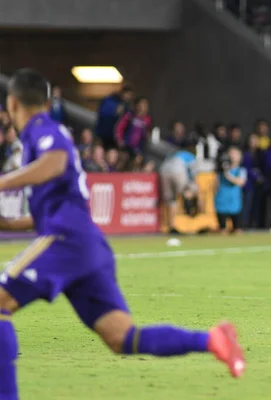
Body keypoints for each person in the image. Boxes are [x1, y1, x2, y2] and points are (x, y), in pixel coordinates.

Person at [0, 69, 245, 399]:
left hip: (67, 241)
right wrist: (8, 223)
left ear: (12, 104)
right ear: (47, 100)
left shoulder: (42, 129)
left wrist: (3, 182)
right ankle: (213, 339)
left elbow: (55, 163)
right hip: (86, 246)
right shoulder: (46, 133)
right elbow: (55, 201)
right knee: (123, 338)